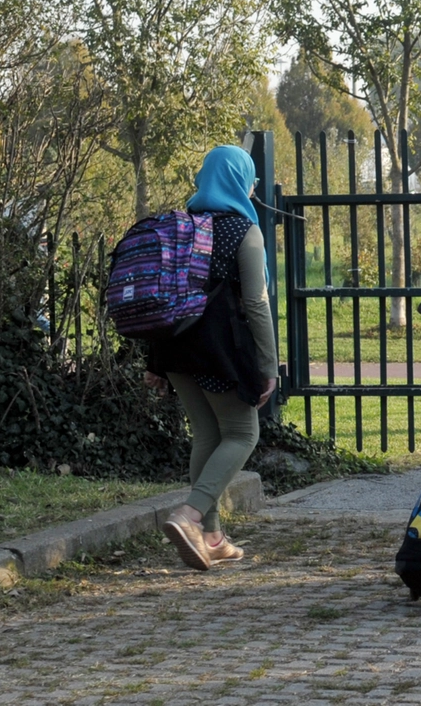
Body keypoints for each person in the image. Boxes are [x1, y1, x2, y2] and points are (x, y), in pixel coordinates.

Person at [148, 145, 278, 571]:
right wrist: (268, 366)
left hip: (174, 347)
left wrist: (152, 361)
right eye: (252, 179)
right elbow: (257, 304)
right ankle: (190, 514)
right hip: (218, 350)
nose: (256, 187)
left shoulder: (182, 224)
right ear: (242, 182)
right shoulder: (244, 230)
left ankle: (212, 537)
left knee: (206, 432)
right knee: (243, 433)